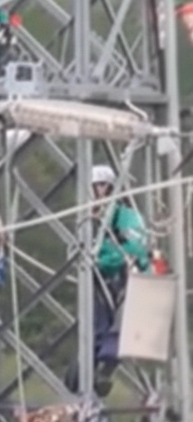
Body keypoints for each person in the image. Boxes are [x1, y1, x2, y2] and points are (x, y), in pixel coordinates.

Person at [65, 165, 152, 397]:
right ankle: (89, 364)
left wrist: (100, 260)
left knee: (116, 327)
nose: (97, 193)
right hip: (99, 280)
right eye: (94, 188)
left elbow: (133, 249)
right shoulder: (89, 219)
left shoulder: (126, 217)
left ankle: (105, 364)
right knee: (96, 326)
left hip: (123, 280)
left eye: (101, 187)